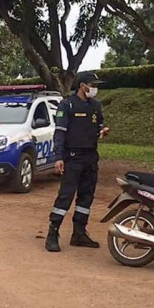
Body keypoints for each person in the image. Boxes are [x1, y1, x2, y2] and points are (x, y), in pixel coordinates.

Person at [45, 72, 110, 252]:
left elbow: (99, 125)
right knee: (65, 196)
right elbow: (60, 132)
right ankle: (53, 232)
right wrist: (58, 156)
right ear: (83, 85)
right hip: (72, 158)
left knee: (86, 196)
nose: (95, 88)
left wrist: (103, 130)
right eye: (92, 84)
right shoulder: (67, 105)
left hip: (90, 157)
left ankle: (79, 233)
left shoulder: (95, 106)